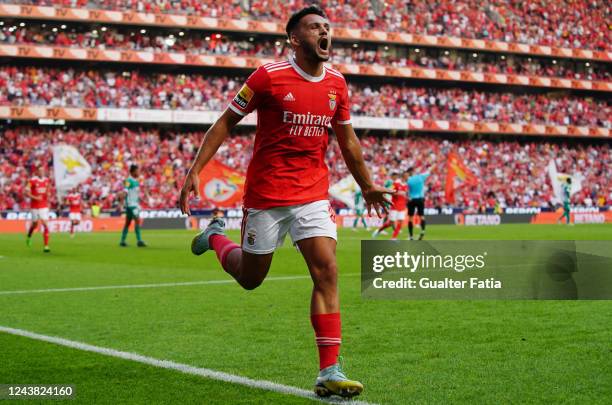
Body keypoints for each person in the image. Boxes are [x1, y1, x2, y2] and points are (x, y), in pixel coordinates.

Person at [179, 6, 391, 399]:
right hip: (267, 194)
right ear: (295, 38)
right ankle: (214, 238)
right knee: (250, 278)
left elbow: (347, 140)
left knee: (327, 270)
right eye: (315, 27)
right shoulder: (268, 77)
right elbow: (226, 121)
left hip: (312, 192)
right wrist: (196, 168)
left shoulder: (337, 84)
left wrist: (368, 185)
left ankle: (329, 370)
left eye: (327, 26)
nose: (324, 31)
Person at [119, 164, 147, 247]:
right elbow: (125, 191)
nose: (139, 172)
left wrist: (142, 200)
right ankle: (139, 240)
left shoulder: (136, 181)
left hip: (134, 204)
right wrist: (121, 203)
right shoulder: (128, 181)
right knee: (137, 220)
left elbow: (135, 194)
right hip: (131, 205)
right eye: (137, 170)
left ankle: (122, 241)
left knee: (127, 223)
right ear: (133, 171)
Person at [25, 165, 52, 252]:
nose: (42, 172)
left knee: (45, 224)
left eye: (43, 170)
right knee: (35, 224)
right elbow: (26, 192)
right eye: (40, 171)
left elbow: (48, 190)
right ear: (36, 172)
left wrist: (48, 195)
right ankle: (29, 236)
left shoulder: (47, 180)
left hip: (43, 206)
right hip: (34, 206)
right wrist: (36, 198)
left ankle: (46, 246)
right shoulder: (32, 180)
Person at [372, 172, 405, 238]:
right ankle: (381, 230)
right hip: (388, 202)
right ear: (392, 176)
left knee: (391, 219)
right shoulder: (390, 182)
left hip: (395, 203)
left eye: (396, 175)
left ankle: (393, 235)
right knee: (389, 219)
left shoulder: (400, 183)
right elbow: (385, 189)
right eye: (394, 175)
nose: (396, 177)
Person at [407, 166, 430, 240]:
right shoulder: (421, 177)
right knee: (422, 216)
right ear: (414, 171)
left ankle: (411, 236)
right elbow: (429, 171)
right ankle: (422, 231)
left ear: (409, 173)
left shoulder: (408, 180)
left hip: (412, 199)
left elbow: (407, 191)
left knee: (410, 218)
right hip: (420, 199)